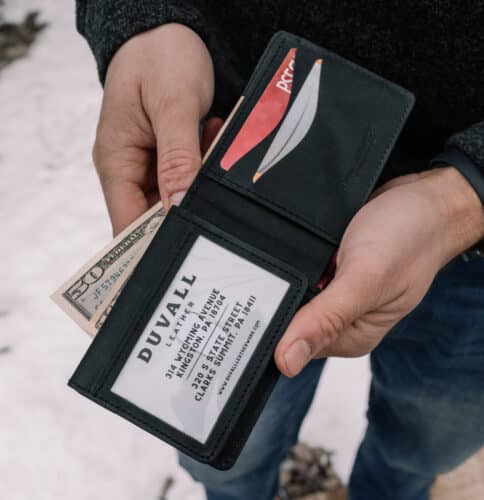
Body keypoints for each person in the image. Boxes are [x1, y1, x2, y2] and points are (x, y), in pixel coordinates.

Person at [75, 2, 484, 499]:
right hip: (235, 163)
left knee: (423, 449)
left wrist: (465, 198)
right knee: (227, 458)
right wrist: (143, 20)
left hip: (470, 251)